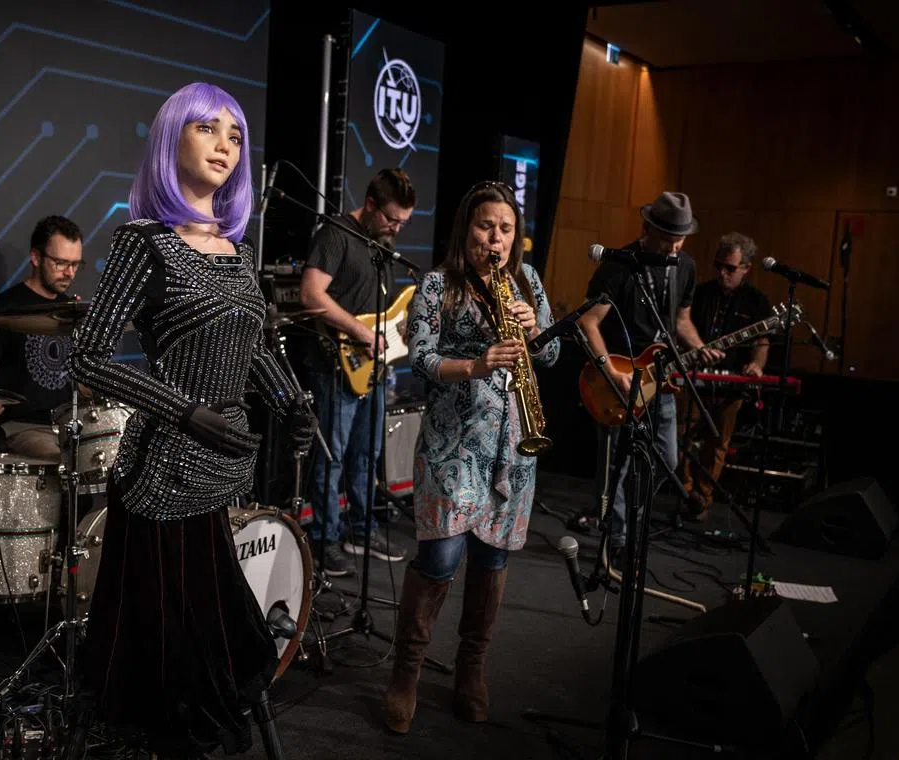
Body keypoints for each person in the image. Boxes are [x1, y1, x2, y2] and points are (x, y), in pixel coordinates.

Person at [69, 82, 317, 759]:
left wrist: (295, 403)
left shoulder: (237, 251)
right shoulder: (142, 242)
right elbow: (87, 355)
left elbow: (256, 346)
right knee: (174, 652)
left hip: (219, 471)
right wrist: (187, 411)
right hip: (163, 474)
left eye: (234, 135)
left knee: (216, 634)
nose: (225, 146)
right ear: (171, 137)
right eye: (208, 129)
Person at [383, 181, 560, 734]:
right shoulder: (439, 285)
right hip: (453, 444)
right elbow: (423, 360)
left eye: (506, 229)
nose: (497, 237)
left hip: (513, 449)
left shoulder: (526, 282)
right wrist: (479, 363)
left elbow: (552, 352)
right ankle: (406, 672)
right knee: (440, 559)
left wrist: (536, 330)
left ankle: (471, 668)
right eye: (487, 226)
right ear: (468, 229)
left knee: (493, 560)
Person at [572, 191, 725, 554]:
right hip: (622, 379)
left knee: (667, 461)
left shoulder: (685, 266)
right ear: (647, 228)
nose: (674, 247)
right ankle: (621, 538)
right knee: (617, 467)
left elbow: (682, 321)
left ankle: (631, 521)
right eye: (668, 238)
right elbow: (587, 321)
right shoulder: (618, 267)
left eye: (681, 239)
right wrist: (610, 371)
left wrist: (699, 347)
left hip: (663, 379)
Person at [298, 169, 414, 575]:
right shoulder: (335, 233)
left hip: (374, 366)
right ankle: (324, 540)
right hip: (334, 362)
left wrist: (395, 332)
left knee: (368, 453)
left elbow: (379, 308)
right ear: (370, 204)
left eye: (403, 222)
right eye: (391, 219)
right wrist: (359, 330)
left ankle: (361, 530)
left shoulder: (383, 242)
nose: (396, 228)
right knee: (332, 456)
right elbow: (311, 293)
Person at [0, 215, 85, 460]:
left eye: (76, 264)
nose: (70, 273)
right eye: (61, 263)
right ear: (36, 257)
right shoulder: (5, 309)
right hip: (22, 427)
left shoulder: (74, 311)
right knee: (65, 460)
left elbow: (83, 383)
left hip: (69, 426)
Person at [680, 232, 771, 518]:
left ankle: (702, 498)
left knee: (718, 443)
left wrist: (757, 365)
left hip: (731, 384)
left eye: (730, 268)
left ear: (746, 268)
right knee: (680, 435)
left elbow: (762, 342)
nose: (722, 273)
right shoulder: (701, 292)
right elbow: (681, 326)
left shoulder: (757, 301)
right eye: (719, 265)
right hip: (695, 378)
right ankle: (686, 491)